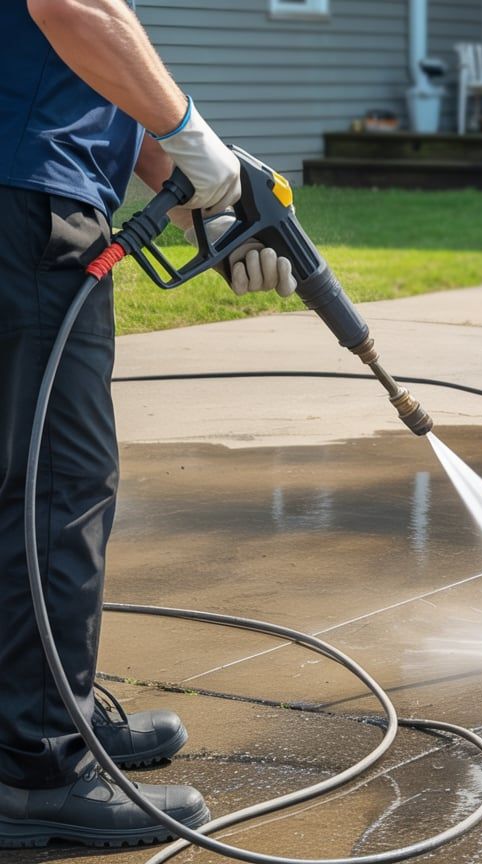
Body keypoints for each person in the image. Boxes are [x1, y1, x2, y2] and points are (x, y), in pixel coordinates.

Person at [0, 0, 295, 848]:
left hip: (28, 187)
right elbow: (73, 9)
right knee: (59, 486)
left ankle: (49, 708)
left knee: (22, 475)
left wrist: (209, 187)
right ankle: (38, 769)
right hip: (31, 205)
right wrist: (198, 142)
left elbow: (98, 73)